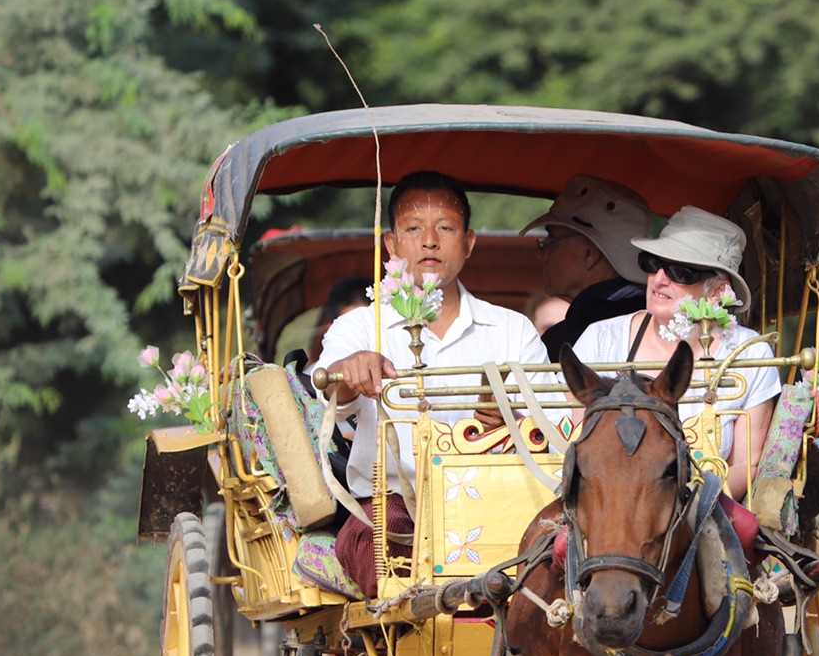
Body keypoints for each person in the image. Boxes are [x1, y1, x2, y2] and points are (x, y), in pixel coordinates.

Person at [312, 171, 547, 597]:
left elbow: (549, 424)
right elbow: (331, 388)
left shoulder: (514, 331)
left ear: (469, 242)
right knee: (388, 565)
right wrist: (352, 371)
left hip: (500, 502)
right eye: (414, 229)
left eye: (445, 228)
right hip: (392, 508)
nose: (430, 242)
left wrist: (511, 418)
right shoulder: (362, 326)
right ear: (391, 245)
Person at [571, 206, 778, 500]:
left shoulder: (750, 353)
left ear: (718, 291)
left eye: (680, 272)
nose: (659, 279)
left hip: (704, 509)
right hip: (605, 505)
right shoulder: (600, 339)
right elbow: (573, 439)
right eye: (654, 263)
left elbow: (747, 464)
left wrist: (682, 503)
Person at [522, 175, 652, 360]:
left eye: (550, 241)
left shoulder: (564, 340)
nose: (540, 253)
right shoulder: (663, 321)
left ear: (589, 254)